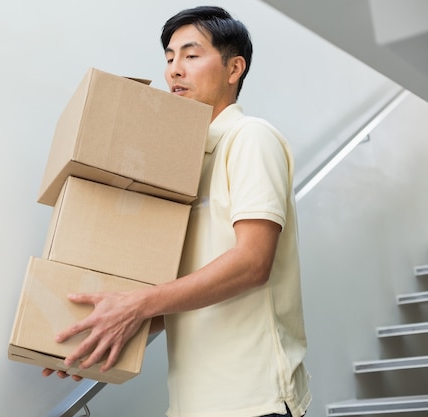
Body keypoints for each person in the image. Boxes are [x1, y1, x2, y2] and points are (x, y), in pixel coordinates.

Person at [43, 6, 311, 417]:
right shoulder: (182, 164)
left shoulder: (250, 138)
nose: (174, 70)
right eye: (169, 58)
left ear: (233, 68)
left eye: (191, 54)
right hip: (193, 404)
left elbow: (253, 262)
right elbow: (181, 291)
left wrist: (137, 305)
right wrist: (95, 334)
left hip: (253, 400)